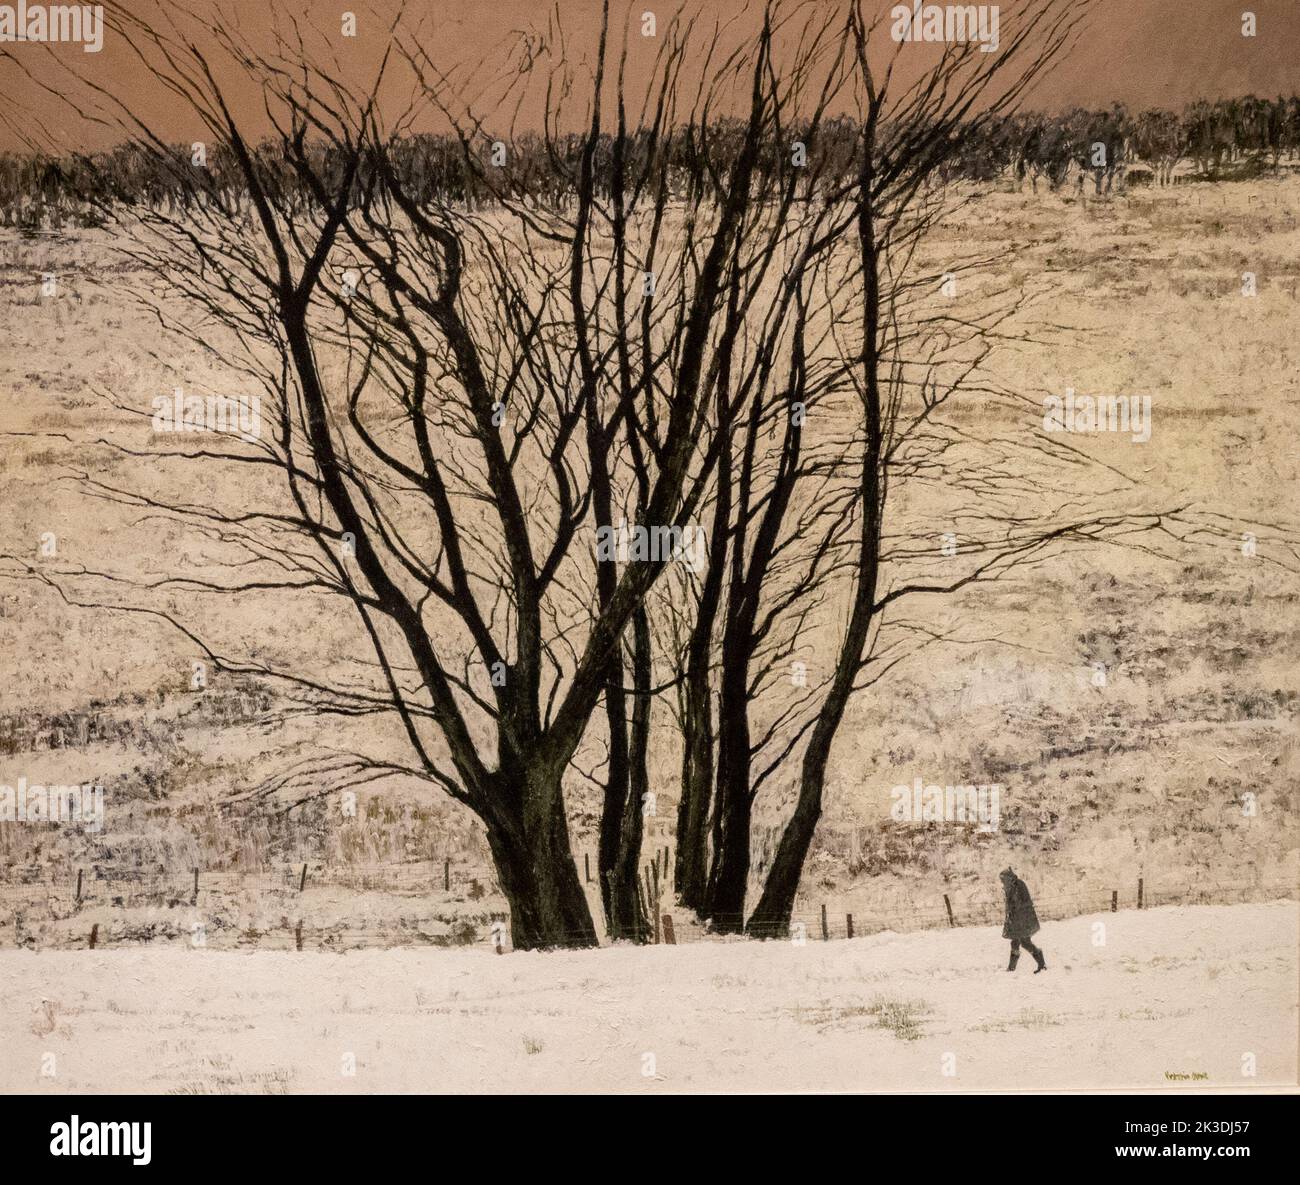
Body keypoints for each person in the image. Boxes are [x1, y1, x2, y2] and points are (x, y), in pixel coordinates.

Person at [999, 867, 1046, 973]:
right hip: (1016, 920)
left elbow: (1026, 902)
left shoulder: (1019, 885)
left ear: (1008, 878)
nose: (1002, 882)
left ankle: (1040, 964)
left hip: (1024, 919)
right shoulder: (1009, 887)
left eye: (1003, 879)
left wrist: (1016, 908)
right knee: (1018, 942)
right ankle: (1012, 968)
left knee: (1023, 942)